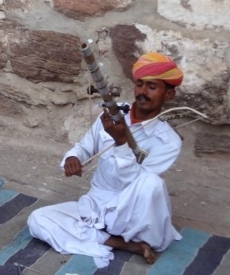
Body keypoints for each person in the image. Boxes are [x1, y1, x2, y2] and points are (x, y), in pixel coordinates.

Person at [27, 52, 184, 268]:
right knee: (37, 220)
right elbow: (85, 146)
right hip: (96, 202)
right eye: (139, 84)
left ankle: (120, 237)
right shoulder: (112, 114)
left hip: (130, 208)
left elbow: (134, 183)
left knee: (152, 184)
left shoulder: (168, 141)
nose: (143, 92)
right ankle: (121, 243)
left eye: (152, 87)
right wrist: (73, 157)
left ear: (169, 95)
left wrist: (121, 143)